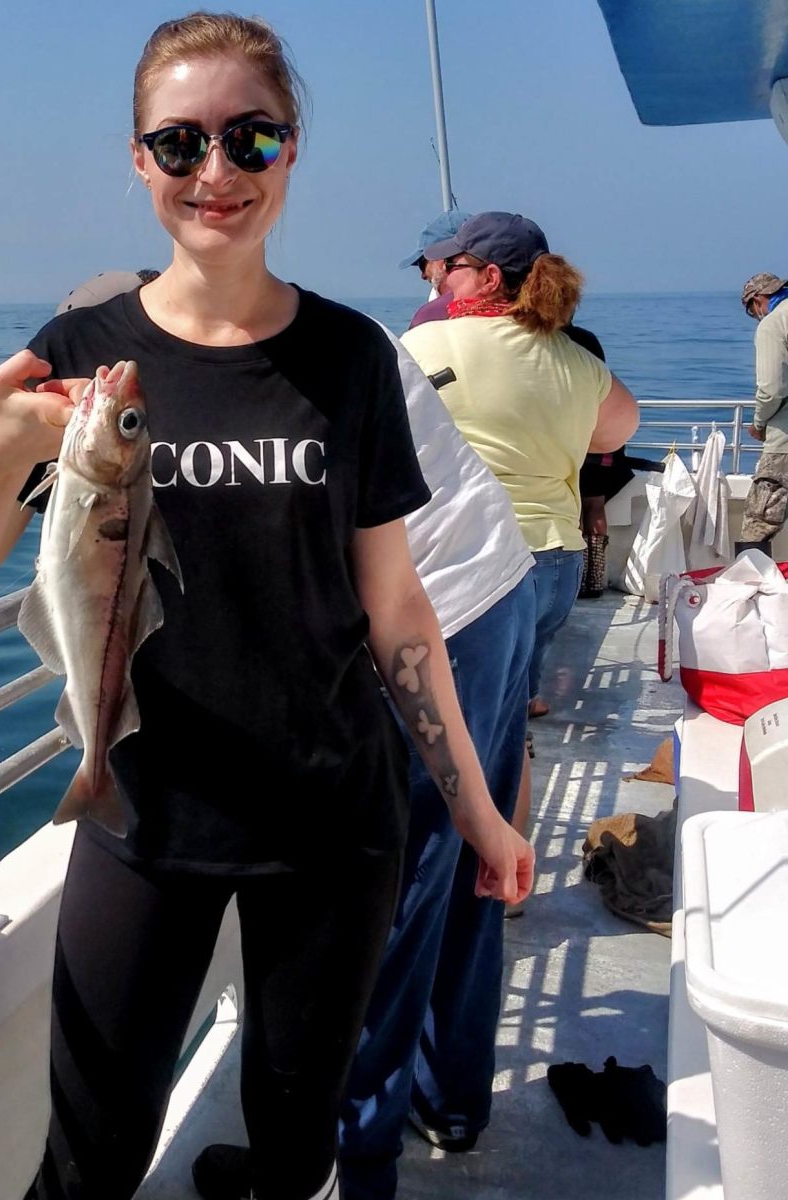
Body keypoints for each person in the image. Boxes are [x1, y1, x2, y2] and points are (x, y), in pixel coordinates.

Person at [0, 15, 533, 1200]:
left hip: (333, 825)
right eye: (181, 142)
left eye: (251, 139)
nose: (218, 173)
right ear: (138, 160)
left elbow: (398, 610)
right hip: (143, 812)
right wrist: (2, 438)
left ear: (291, 153)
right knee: (90, 1157)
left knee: (297, 1151)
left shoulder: (353, 356)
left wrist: (478, 813)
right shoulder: (85, 353)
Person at [337, 330, 536, 1200]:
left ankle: (353, 1160)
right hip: (497, 585)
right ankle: (453, 1103)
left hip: (434, 624)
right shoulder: (353, 332)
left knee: (391, 907)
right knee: (465, 878)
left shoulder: (298, 362)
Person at [401, 212, 639, 722]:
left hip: (474, 561)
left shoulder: (425, 344)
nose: (442, 275)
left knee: (461, 728)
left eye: (455, 265)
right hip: (556, 568)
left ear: (488, 277)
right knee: (511, 712)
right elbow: (618, 430)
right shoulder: (579, 360)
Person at [736, 271, 788, 556]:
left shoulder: (774, 322)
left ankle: (751, 592)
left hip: (785, 440)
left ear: (758, 300)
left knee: (760, 518)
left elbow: (772, 388)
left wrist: (758, 424)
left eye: (751, 311)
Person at [396, 209, 469, 330]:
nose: (423, 275)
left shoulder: (430, 316)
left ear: (443, 258)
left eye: (422, 263)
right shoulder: (509, 302)